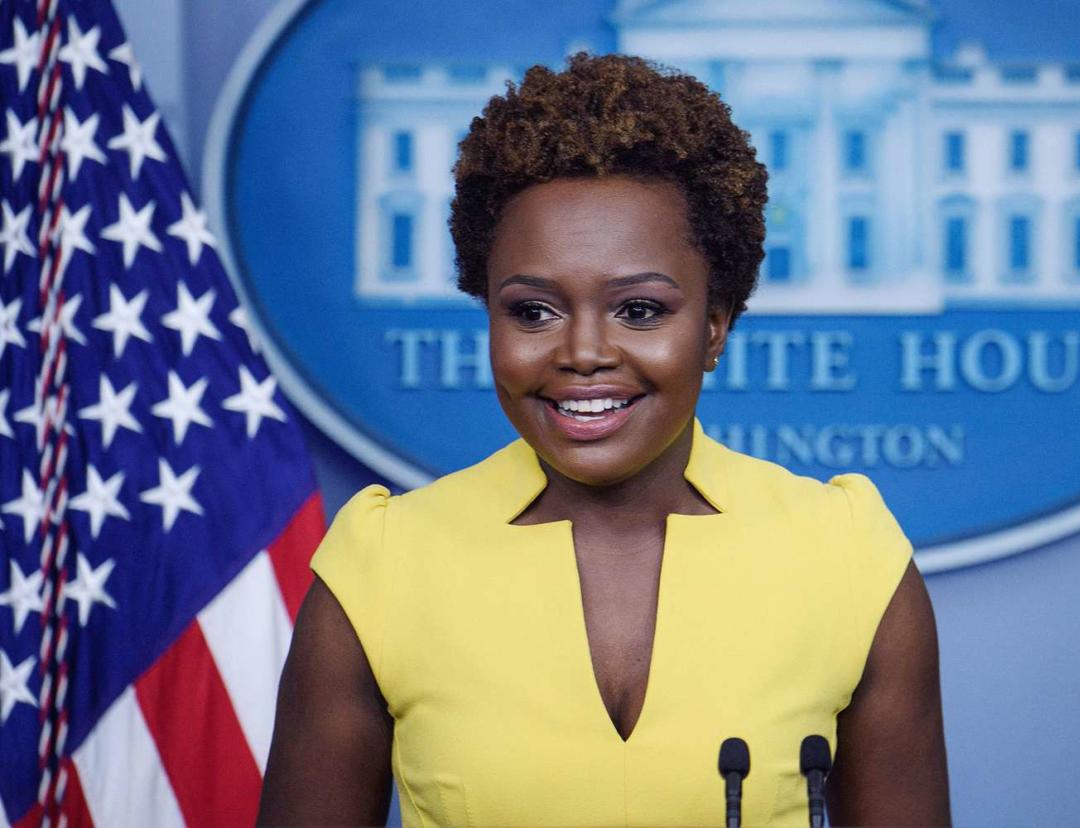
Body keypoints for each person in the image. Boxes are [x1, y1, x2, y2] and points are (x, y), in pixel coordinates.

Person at [258, 53, 950, 827]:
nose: (583, 351)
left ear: (716, 325)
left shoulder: (848, 556)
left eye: (641, 311)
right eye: (533, 312)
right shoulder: (381, 565)